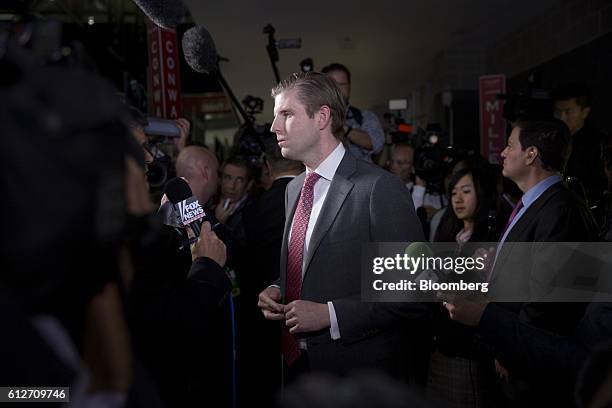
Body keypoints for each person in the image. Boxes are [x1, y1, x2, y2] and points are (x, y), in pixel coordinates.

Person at [257, 72, 427, 383]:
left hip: (356, 374)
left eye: (286, 114)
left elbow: (413, 290)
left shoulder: (379, 187)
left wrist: (330, 314)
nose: (274, 127)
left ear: (322, 117)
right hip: (296, 367)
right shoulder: (294, 189)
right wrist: (279, 287)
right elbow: (310, 263)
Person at [447, 118, 598, 407]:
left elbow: (547, 298)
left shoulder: (560, 208)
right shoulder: (533, 205)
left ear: (531, 154)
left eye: (509, 145)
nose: (502, 153)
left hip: (532, 365)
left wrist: (511, 349)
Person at [427, 168, 506, 408]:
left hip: (470, 353)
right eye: (453, 193)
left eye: (466, 191)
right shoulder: (449, 235)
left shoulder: (491, 239)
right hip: (440, 348)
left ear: (481, 194)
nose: (458, 199)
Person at [552, 83, 607, 209]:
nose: (561, 117)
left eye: (568, 111)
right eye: (557, 111)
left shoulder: (599, 143)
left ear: (585, 112)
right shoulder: (550, 140)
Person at [322, 63, 384, 162]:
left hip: (361, 176)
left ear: (349, 87)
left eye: (342, 84)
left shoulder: (364, 116)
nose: (338, 89)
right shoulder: (312, 117)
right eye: (333, 84)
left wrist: (343, 128)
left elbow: (377, 145)